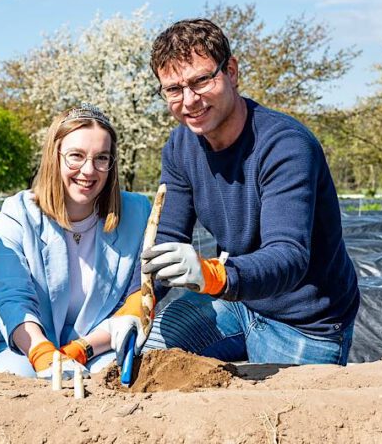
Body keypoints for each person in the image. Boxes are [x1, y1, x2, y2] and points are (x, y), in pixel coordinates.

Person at [141, 18, 360, 365]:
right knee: (148, 358)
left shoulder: (284, 146)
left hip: (304, 321)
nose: (189, 101)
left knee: (278, 416)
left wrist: (213, 273)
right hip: (236, 303)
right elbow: (167, 235)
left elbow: (289, 254)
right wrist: (132, 306)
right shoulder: (181, 144)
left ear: (231, 71)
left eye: (201, 80)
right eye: (173, 89)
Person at [0, 104, 151, 378]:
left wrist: (81, 349)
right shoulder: (17, 213)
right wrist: (43, 354)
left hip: (101, 347)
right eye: (76, 156)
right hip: (29, 347)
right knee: (12, 381)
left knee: (112, 381)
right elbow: (11, 298)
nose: (88, 171)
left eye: (101, 158)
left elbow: (137, 296)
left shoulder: (137, 213)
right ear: (55, 157)